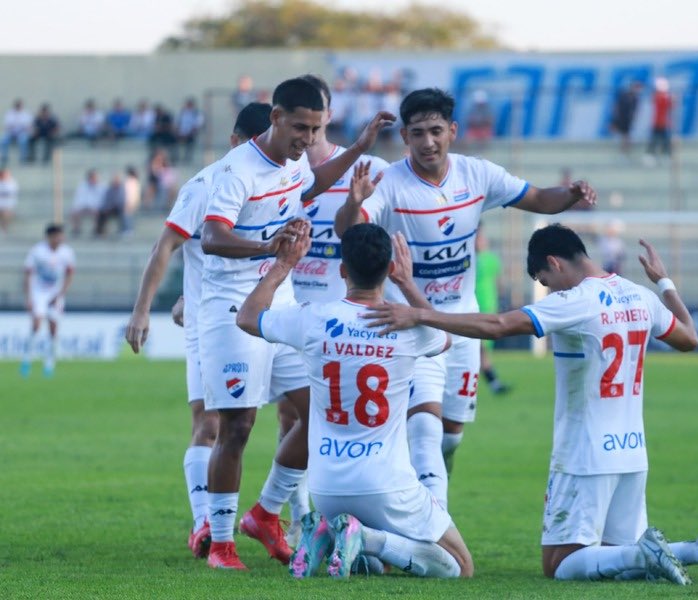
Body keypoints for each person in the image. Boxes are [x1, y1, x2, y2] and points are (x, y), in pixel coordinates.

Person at [363, 223, 698, 586]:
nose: (549, 290)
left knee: (559, 565)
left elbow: (498, 326)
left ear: (554, 263)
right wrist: (664, 283)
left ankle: (651, 550)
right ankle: (694, 550)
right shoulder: (639, 295)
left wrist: (415, 312)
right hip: (632, 453)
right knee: (616, 562)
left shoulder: (576, 300)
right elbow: (689, 338)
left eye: (545, 280)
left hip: (583, 454)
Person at [333, 87, 596, 512]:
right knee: (423, 427)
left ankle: (428, 487)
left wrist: (571, 193)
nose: (428, 142)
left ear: (452, 131)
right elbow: (348, 229)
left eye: (435, 131)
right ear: (405, 136)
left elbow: (539, 199)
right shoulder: (390, 184)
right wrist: (353, 202)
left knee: (450, 434)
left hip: (463, 322)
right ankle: (432, 526)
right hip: (411, 321)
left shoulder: (477, 175)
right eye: (417, 133)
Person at [198, 76, 394, 570]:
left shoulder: (295, 160)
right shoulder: (237, 170)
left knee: (322, 410)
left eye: (317, 129)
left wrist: (359, 149)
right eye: (300, 128)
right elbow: (213, 237)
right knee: (238, 424)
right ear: (275, 117)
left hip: (278, 295)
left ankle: (265, 512)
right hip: (230, 302)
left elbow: (310, 185)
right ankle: (221, 543)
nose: (307, 140)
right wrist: (269, 247)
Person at [236, 222, 473, 580]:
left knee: (378, 569)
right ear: (391, 270)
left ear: (343, 270)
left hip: (327, 487)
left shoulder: (314, 317)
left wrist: (283, 266)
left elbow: (248, 317)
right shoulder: (406, 327)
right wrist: (409, 286)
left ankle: (329, 536)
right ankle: (366, 537)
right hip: (386, 484)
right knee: (460, 566)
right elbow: (445, 337)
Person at [125, 102, 274, 560]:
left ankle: (278, 519)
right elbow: (166, 243)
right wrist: (142, 310)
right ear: (235, 142)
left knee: (284, 417)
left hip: (261, 313)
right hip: (210, 320)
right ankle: (204, 522)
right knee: (211, 424)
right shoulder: (205, 185)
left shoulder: (279, 177)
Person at [290, 74, 390, 306]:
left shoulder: (369, 169)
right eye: (301, 109)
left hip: (342, 319)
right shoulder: (275, 174)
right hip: (286, 314)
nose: (309, 115)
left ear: (329, 114)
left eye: (317, 107)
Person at [21, 224, 75, 378]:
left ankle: (49, 364)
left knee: (53, 328)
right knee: (36, 325)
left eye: (61, 236)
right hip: (39, 292)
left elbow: (70, 274)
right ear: (49, 237)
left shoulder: (67, 252)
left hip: (55, 293)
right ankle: (27, 360)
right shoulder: (37, 251)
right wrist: (29, 297)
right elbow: (28, 274)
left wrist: (60, 294)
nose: (60, 239)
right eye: (57, 236)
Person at [474, 228, 509, 396]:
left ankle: (493, 383)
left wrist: (501, 300)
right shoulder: (470, 260)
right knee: (478, 347)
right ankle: (493, 383)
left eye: (482, 238)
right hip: (473, 308)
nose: (480, 241)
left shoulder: (492, 259)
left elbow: (498, 282)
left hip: (489, 307)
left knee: (483, 349)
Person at [69, 169, 106, 237]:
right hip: (84, 207)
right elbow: (78, 199)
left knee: (97, 213)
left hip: (96, 207)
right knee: (74, 212)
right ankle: (76, 230)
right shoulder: (82, 186)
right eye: (92, 177)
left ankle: (96, 230)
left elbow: (102, 200)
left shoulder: (102, 186)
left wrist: (95, 208)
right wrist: (80, 207)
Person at [610, 81, 642, 155]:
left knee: (626, 135)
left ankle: (625, 150)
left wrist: (633, 118)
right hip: (621, 117)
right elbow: (617, 106)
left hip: (627, 119)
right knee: (622, 134)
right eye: (636, 88)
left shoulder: (635, 99)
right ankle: (622, 149)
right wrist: (615, 116)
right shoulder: (624, 95)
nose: (637, 90)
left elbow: (635, 110)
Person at [645, 77, 672, 162]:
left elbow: (670, 106)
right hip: (656, 122)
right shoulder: (657, 97)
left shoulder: (666, 97)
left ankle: (665, 155)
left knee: (665, 140)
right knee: (654, 140)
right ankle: (650, 155)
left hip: (664, 122)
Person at [1, 99, 32, 167]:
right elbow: (7, 125)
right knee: (3, 140)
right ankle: (4, 157)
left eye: (19, 105)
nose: (18, 107)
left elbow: (28, 126)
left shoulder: (26, 114)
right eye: (17, 105)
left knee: (23, 141)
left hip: (22, 133)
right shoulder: (9, 113)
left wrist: (19, 126)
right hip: (11, 133)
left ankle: (23, 158)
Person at [175, 98, 204, 164]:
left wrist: (189, 133)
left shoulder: (197, 113)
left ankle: (187, 159)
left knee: (189, 144)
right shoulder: (182, 112)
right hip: (181, 133)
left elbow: (198, 125)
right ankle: (177, 158)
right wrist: (178, 132)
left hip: (190, 134)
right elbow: (178, 123)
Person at [0, 167, 18, 233]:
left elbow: (11, 192)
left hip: (8, 204)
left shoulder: (12, 182)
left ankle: (5, 227)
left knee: (6, 214)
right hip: (1, 204)